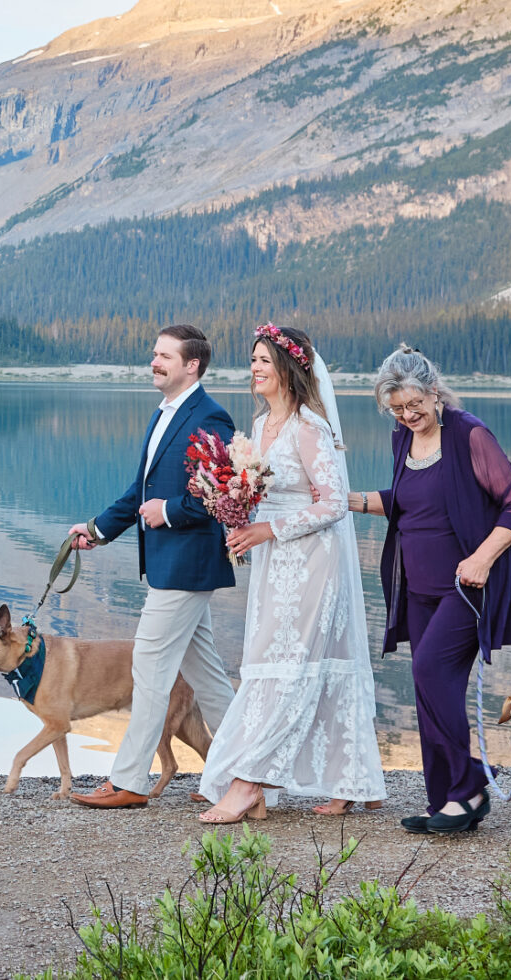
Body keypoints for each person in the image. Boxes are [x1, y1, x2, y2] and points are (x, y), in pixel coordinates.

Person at [196, 324, 388, 824]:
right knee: (273, 662)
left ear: (288, 368)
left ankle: (248, 782)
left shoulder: (309, 427)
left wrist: (268, 529)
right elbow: (258, 492)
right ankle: (347, 779)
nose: (255, 368)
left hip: (311, 561)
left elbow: (333, 504)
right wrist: (236, 514)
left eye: (264, 359)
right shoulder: (261, 425)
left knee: (291, 665)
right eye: (253, 359)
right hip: (272, 562)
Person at [347, 344, 511, 835]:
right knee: (430, 688)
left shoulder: (469, 434)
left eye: (415, 404)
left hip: (467, 585)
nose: (408, 416)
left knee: (430, 670)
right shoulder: (402, 439)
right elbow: (410, 501)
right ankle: (449, 800)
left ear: (434, 392)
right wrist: (350, 501)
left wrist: (481, 559)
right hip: (419, 587)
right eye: (397, 409)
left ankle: (468, 787)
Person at [63, 323, 239, 809]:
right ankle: (246, 772)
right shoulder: (164, 413)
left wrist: (169, 511)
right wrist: (97, 530)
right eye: (155, 354)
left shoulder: (211, 417)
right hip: (170, 564)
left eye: (165, 356)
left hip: (187, 564)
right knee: (208, 678)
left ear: (192, 365)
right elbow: (139, 492)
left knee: (149, 667)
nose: (154, 362)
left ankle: (129, 782)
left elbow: (218, 495)